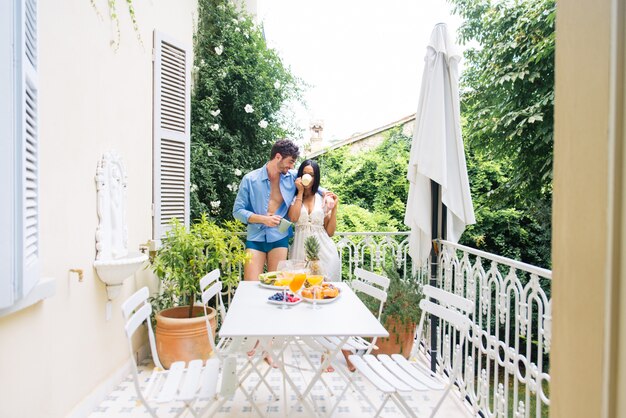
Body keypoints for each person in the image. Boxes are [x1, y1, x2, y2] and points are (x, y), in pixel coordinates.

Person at [233, 139, 328, 280]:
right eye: (290, 161)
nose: (291, 166)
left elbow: (313, 184)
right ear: (278, 157)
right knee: (250, 284)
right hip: (255, 238)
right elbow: (237, 211)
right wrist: (263, 219)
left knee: (277, 285)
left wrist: (326, 194)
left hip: (280, 238)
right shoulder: (250, 179)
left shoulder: (292, 176)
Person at [287, 159, 340, 281]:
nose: (308, 177)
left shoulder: (322, 199)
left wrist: (335, 207)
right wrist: (300, 191)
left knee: (324, 290)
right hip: (300, 251)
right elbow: (294, 218)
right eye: (305, 173)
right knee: (300, 287)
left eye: (311, 174)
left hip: (324, 251)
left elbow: (330, 232)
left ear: (316, 177)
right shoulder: (295, 198)